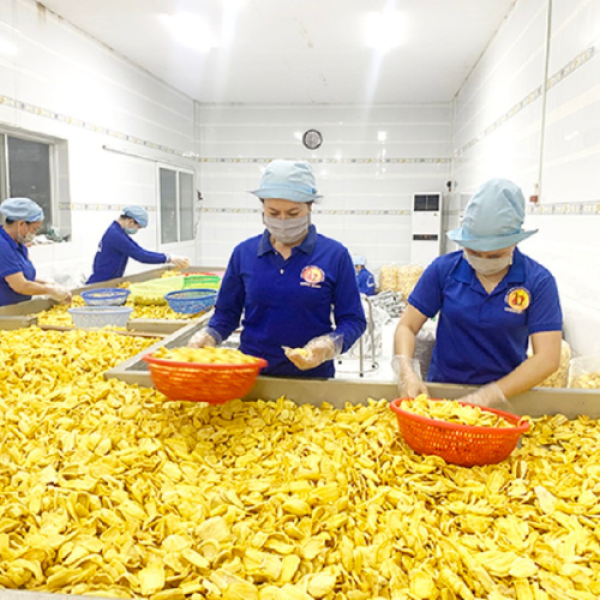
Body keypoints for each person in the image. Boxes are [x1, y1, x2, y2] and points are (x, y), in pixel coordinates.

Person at [189, 159, 367, 378]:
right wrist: (209, 335)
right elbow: (227, 313)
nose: (283, 221)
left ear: (310, 206)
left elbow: (353, 320)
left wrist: (329, 345)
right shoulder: (244, 253)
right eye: (273, 213)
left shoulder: (334, 255)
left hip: (312, 378)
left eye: (293, 214)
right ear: (262, 208)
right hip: (252, 375)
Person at [394, 178, 562, 407]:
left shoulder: (538, 282)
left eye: (494, 255)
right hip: (445, 393)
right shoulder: (444, 270)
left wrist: (487, 397)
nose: (483, 260)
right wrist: (406, 371)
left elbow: (547, 358)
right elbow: (407, 326)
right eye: (473, 251)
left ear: (516, 239)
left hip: (506, 396)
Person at [87, 205, 190, 283]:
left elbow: (138, 250)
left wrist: (169, 257)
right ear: (131, 222)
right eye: (138, 227)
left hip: (108, 281)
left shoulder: (117, 231)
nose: (136, 230)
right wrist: (169, 258)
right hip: (100, 284)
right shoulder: (116, 235)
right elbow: (141, 255)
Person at [0, 197, 72, 306]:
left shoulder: (19, 245)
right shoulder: (2, 245)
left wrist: (48, 284)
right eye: (34, 229)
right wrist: (50, 290)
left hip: (17, 309)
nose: (34, 234)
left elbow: (26, 278)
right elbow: (20, 285)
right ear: (21, 224)